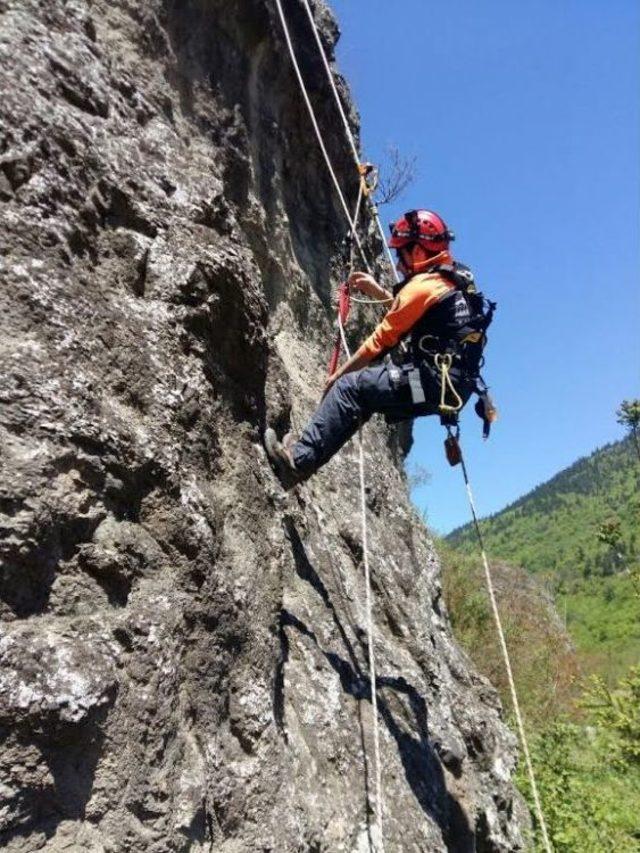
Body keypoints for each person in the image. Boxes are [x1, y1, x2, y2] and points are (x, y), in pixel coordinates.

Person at [265, 209, 492, 486]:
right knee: (369, 394)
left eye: (402, 254)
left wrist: (337, 377)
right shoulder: (453, 280)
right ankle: (306, 453)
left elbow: (380, 341)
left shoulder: (423, 285)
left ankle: (298, 461)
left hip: (433, 383)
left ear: (419, 251)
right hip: (447, 388)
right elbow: (416, 314)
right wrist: (380, 293)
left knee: (351, 388)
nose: (398, 264)